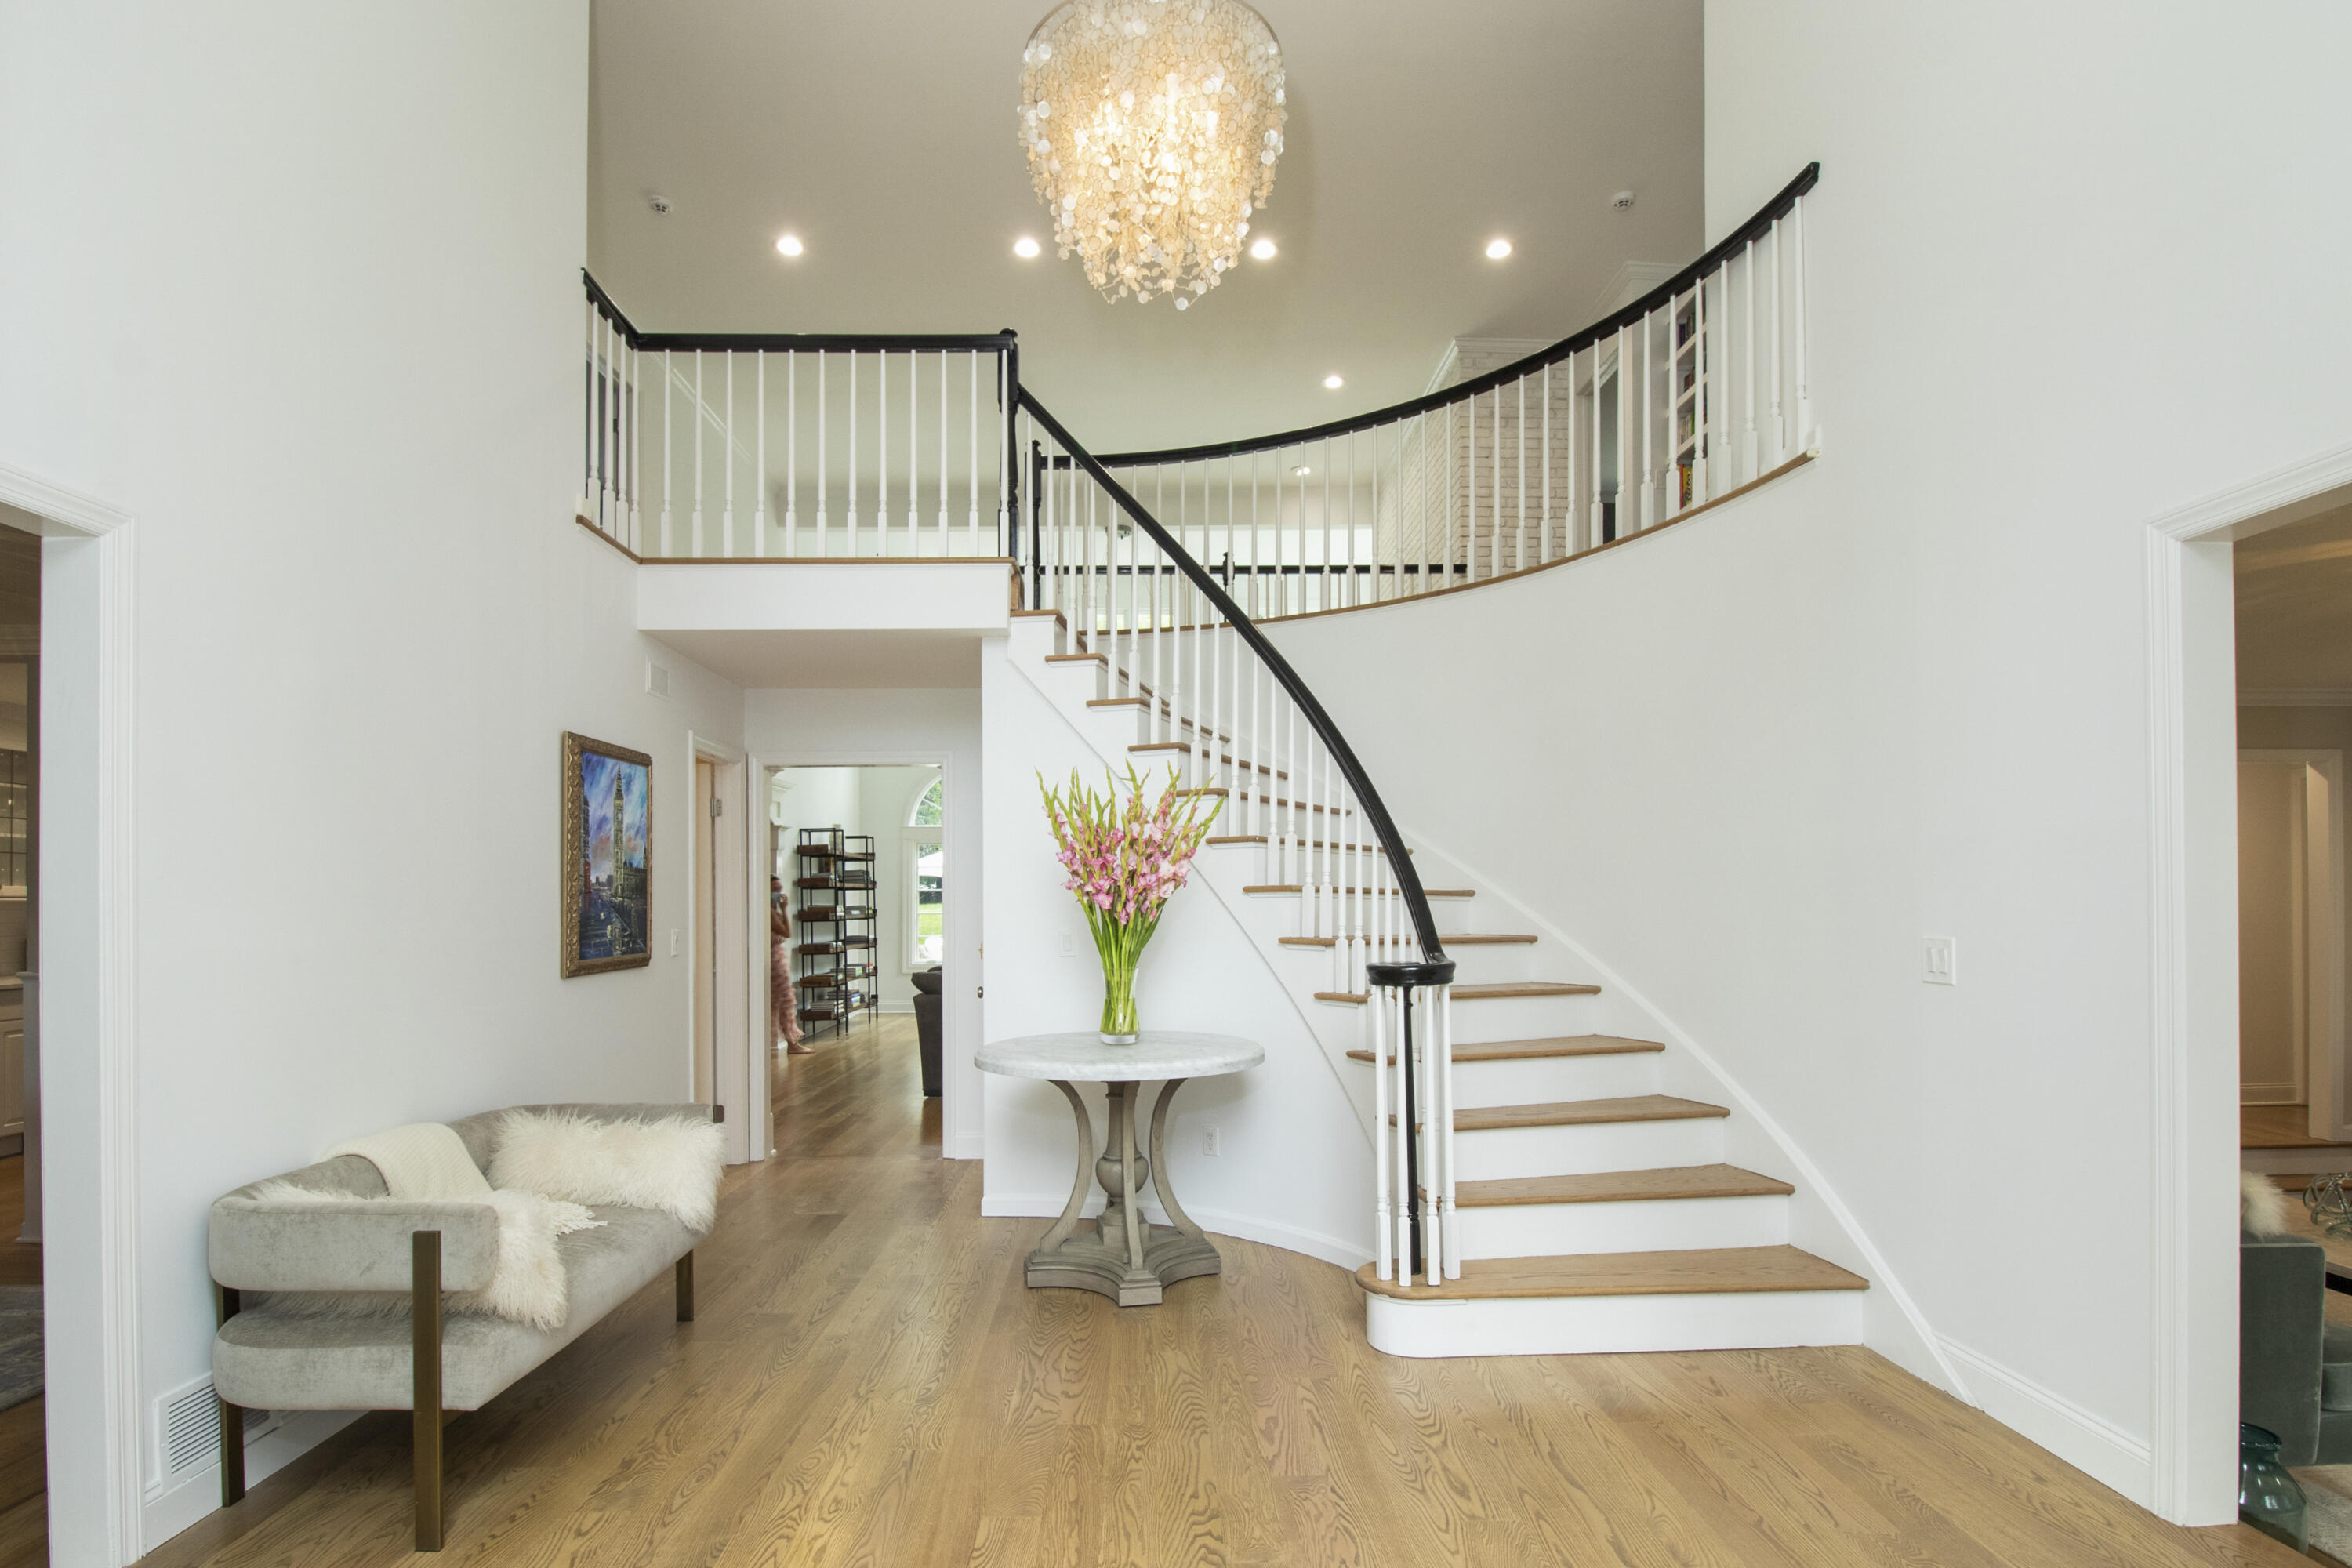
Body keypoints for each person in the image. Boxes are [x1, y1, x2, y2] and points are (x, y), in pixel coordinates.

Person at [771, 876, 811, 1055]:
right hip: (774, 961)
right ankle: (792, 1043)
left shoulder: (772, 911)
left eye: (779, 889)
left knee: (781, 1001)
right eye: (774, 890)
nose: (778, 893)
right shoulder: (770, 912)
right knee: (785, 1001)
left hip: (777, 957)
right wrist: (784, 909)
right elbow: (787, 932)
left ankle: (791, 1042)